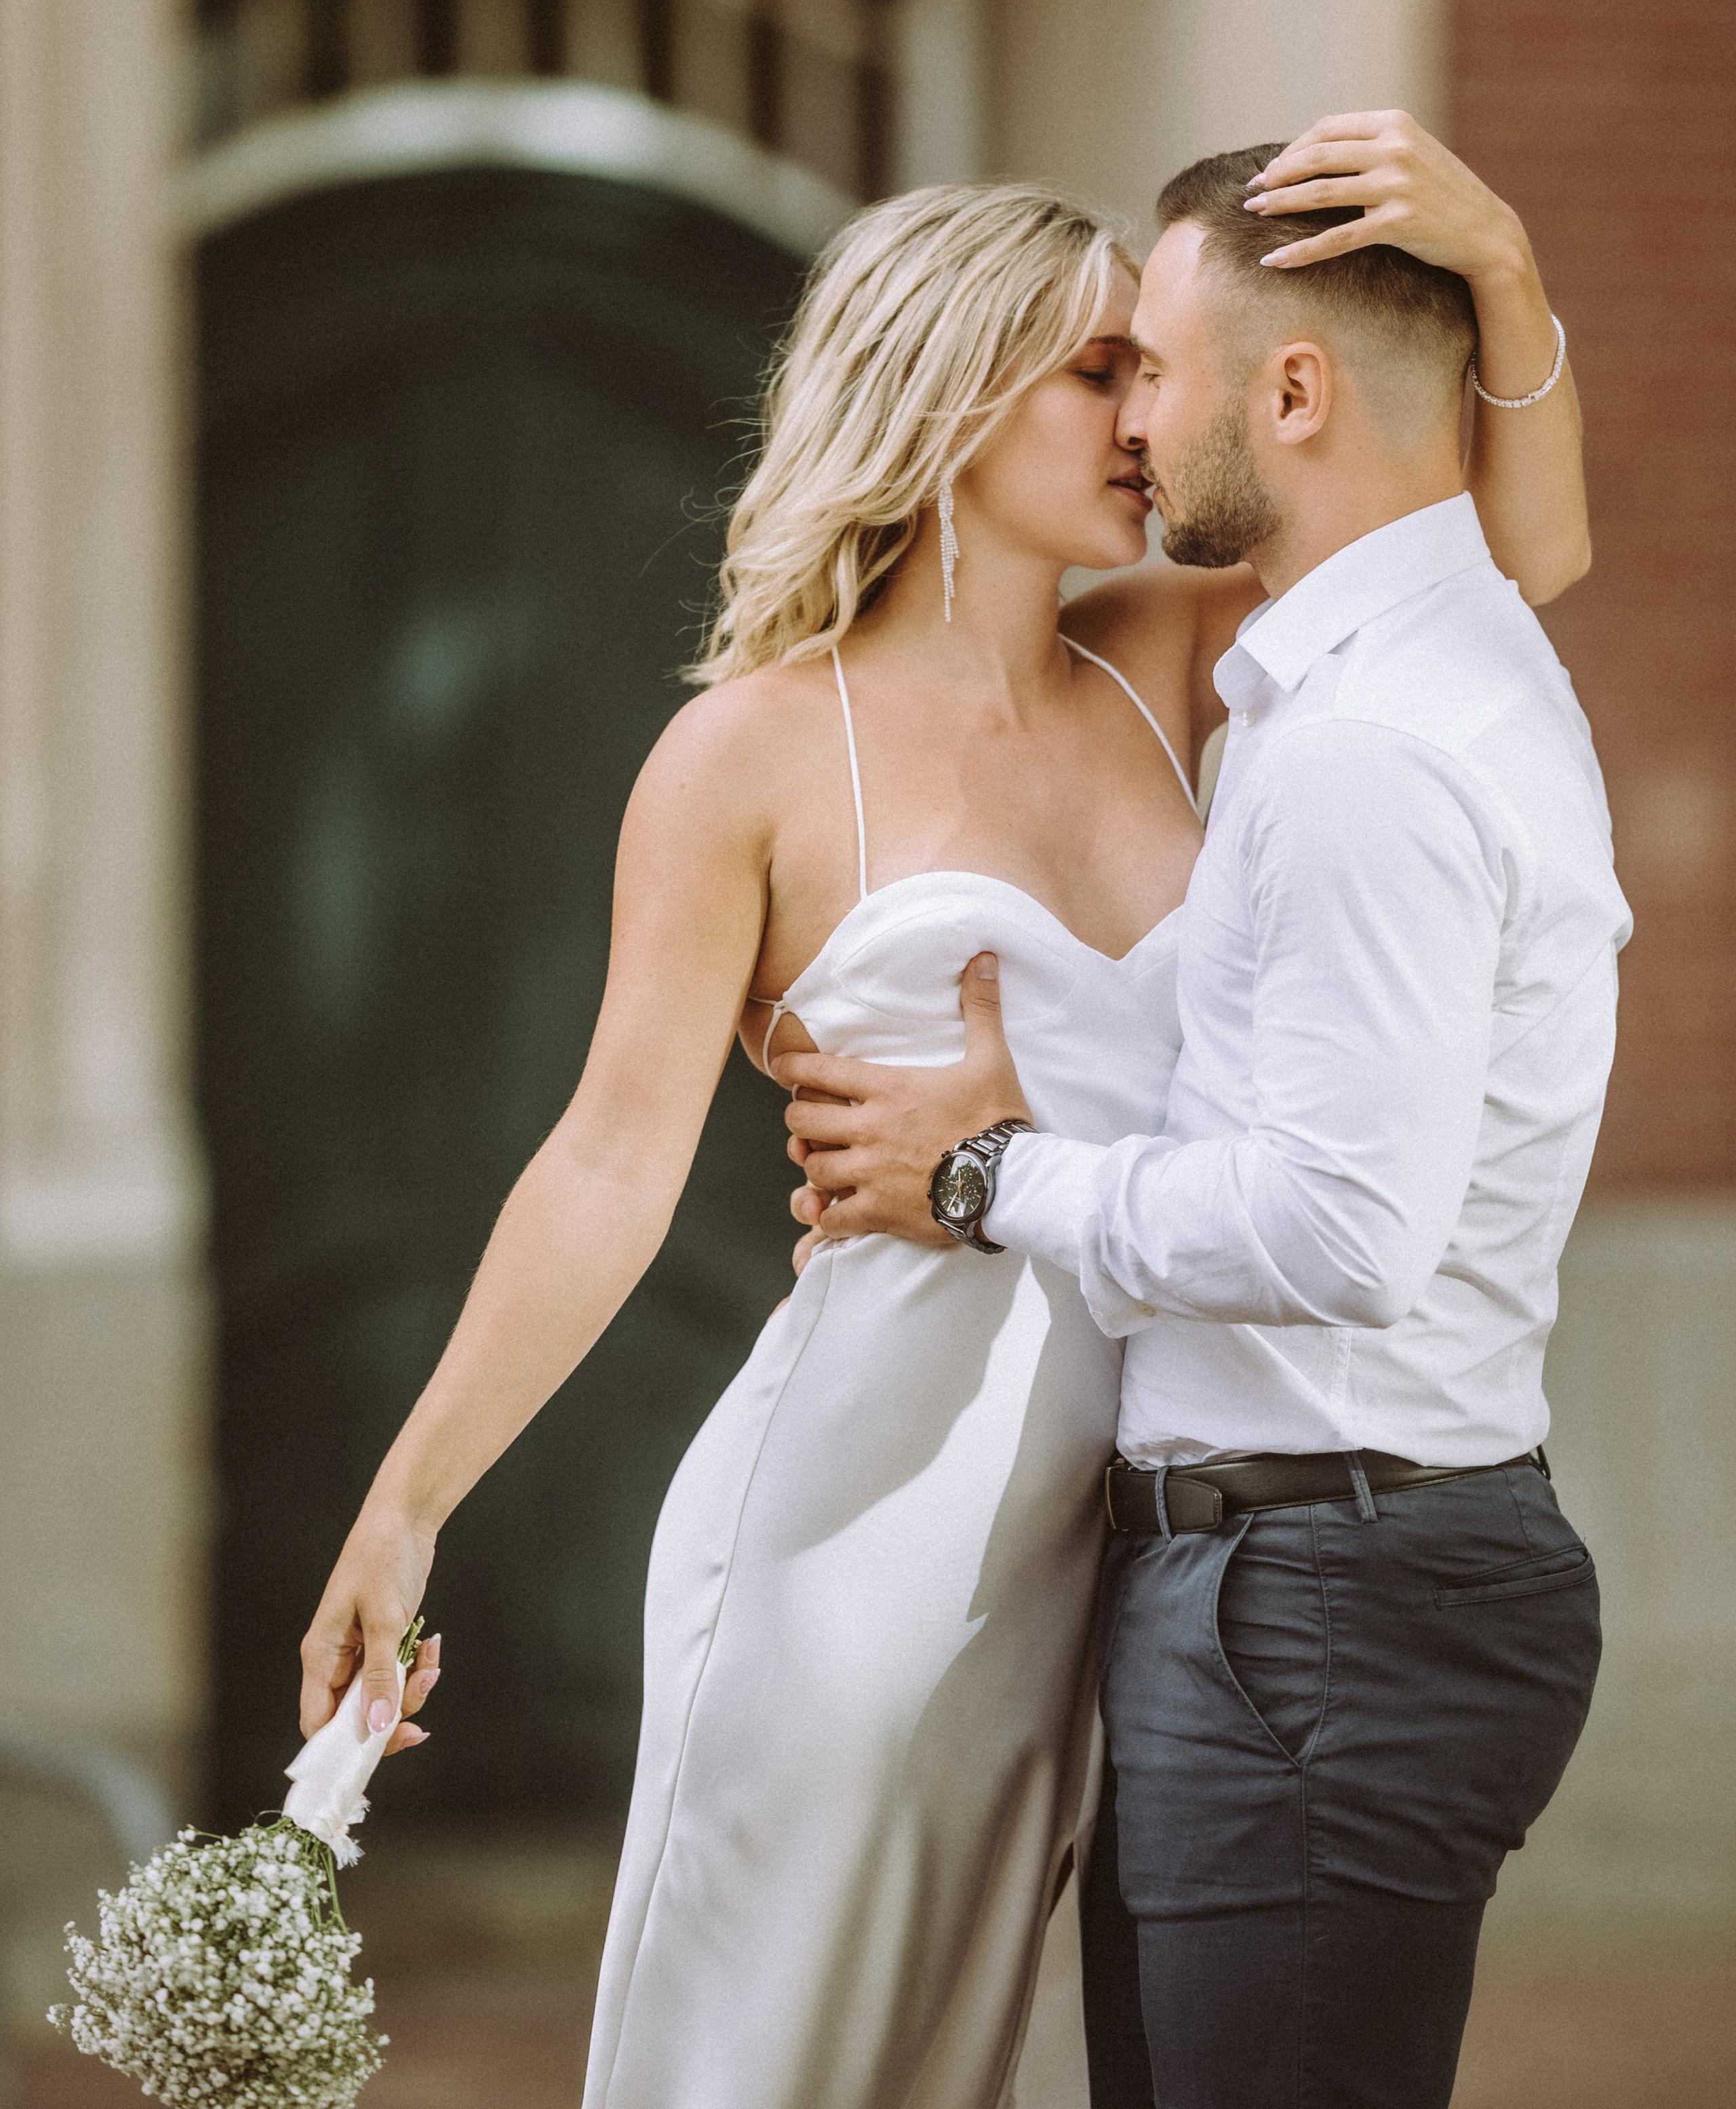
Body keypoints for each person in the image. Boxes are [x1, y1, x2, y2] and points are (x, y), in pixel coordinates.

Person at [296, 115, 1591, 2109]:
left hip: (1120, 1534)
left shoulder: (1186, 665)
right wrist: (409, 1498)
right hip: (859, 1526)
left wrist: (1499, 267)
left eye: (1148, 369)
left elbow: (1503, 558)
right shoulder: (745, 753)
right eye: (1103, 370)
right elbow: (614, 1158)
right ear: (956, 396)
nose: (1148, 418)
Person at [778, 125, 1629, 2108]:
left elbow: (1343, 1228)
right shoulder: (1398, 659)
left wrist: (987, 1173)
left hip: (1319, 1606)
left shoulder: (1362, 748)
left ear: (1297, 389)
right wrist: (1498, 270)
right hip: (1300, 1588)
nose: (1137, 420)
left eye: (1148, 364)